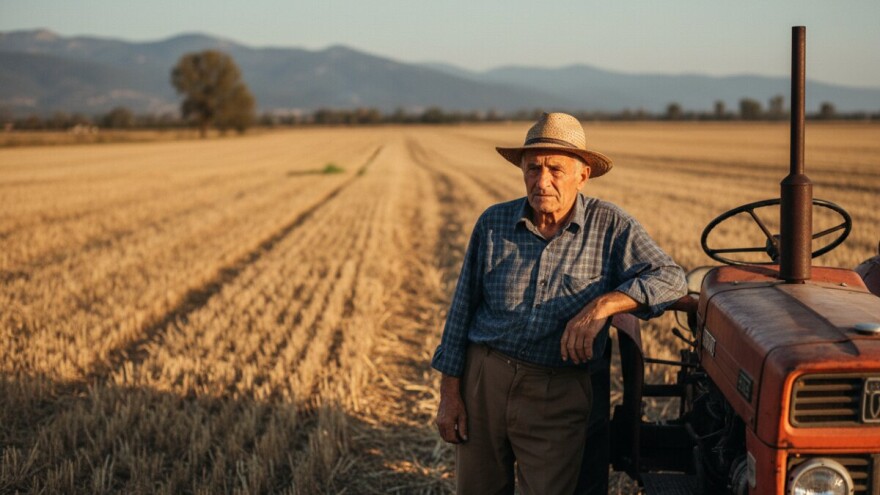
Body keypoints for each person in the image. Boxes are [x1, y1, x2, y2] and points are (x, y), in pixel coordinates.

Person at [431, 112, 687, 494]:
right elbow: (461, 311)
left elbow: (671, 278)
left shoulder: (611, 226)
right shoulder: (493, 223)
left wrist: (604, 305)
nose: (542, 181)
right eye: (532, 168)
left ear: (583, 174)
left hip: (557, 391)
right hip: (485, 380)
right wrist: (450, 394)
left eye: (555, 169)